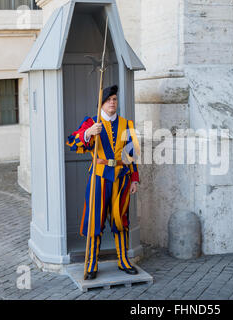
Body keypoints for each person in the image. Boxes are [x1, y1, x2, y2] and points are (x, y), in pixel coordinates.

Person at [66, 85, 140, 280]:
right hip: (98, 178)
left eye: (114, 99)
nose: (112, 103)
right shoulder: (91, 122)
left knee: (120, 218)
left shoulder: (126, 124)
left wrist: (134, 179)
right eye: (108, 100)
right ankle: (91, 265)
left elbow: (131, 154)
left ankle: (124, 261)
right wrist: (89, 132)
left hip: (121, 178)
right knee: (95, 221)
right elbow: (73, 141)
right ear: (101, 103)